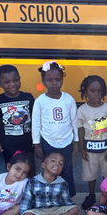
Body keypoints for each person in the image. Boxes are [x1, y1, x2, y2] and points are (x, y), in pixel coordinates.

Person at [31, 60, 77, 197]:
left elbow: (74, 121)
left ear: (62, 80)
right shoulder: (40, 101)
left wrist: (76, 141)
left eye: (58, 79)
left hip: (67, 142)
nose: (54, 83)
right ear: (43, 81)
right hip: (48, 143)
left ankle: (68, 198)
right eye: (49, 80)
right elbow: (36, 123)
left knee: (67, 170)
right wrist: (36, 144)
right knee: (50, 171)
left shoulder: (68, 99)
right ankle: (50, 197)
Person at [76, 75, 107, 210]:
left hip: (106, 149)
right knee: (90, 174)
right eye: (92, 91)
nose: (96, 94)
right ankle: (91, 195)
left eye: (100, 91)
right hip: (89, 149)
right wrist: (81, 147)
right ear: (85, 92)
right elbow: (81, 129)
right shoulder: (82, 110)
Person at [15, 151, 78, 215]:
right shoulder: (32, 182)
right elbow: (25, 204)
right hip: (39, 212)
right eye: (53, 160)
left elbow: (67, 202)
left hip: (56, 211)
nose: (57, 164)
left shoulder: (63, 183)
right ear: (43, 164)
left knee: (75, 209)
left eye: (61, 163)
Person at [0, 64, 34, 165]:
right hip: (7, 143)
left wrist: (36, 139)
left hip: (27, 141)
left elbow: (35, 119)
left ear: (20, 79)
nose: (12, 84)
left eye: (15, 80)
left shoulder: (28, 97)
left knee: (29, 167)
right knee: (11, 167)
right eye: (6, 82)